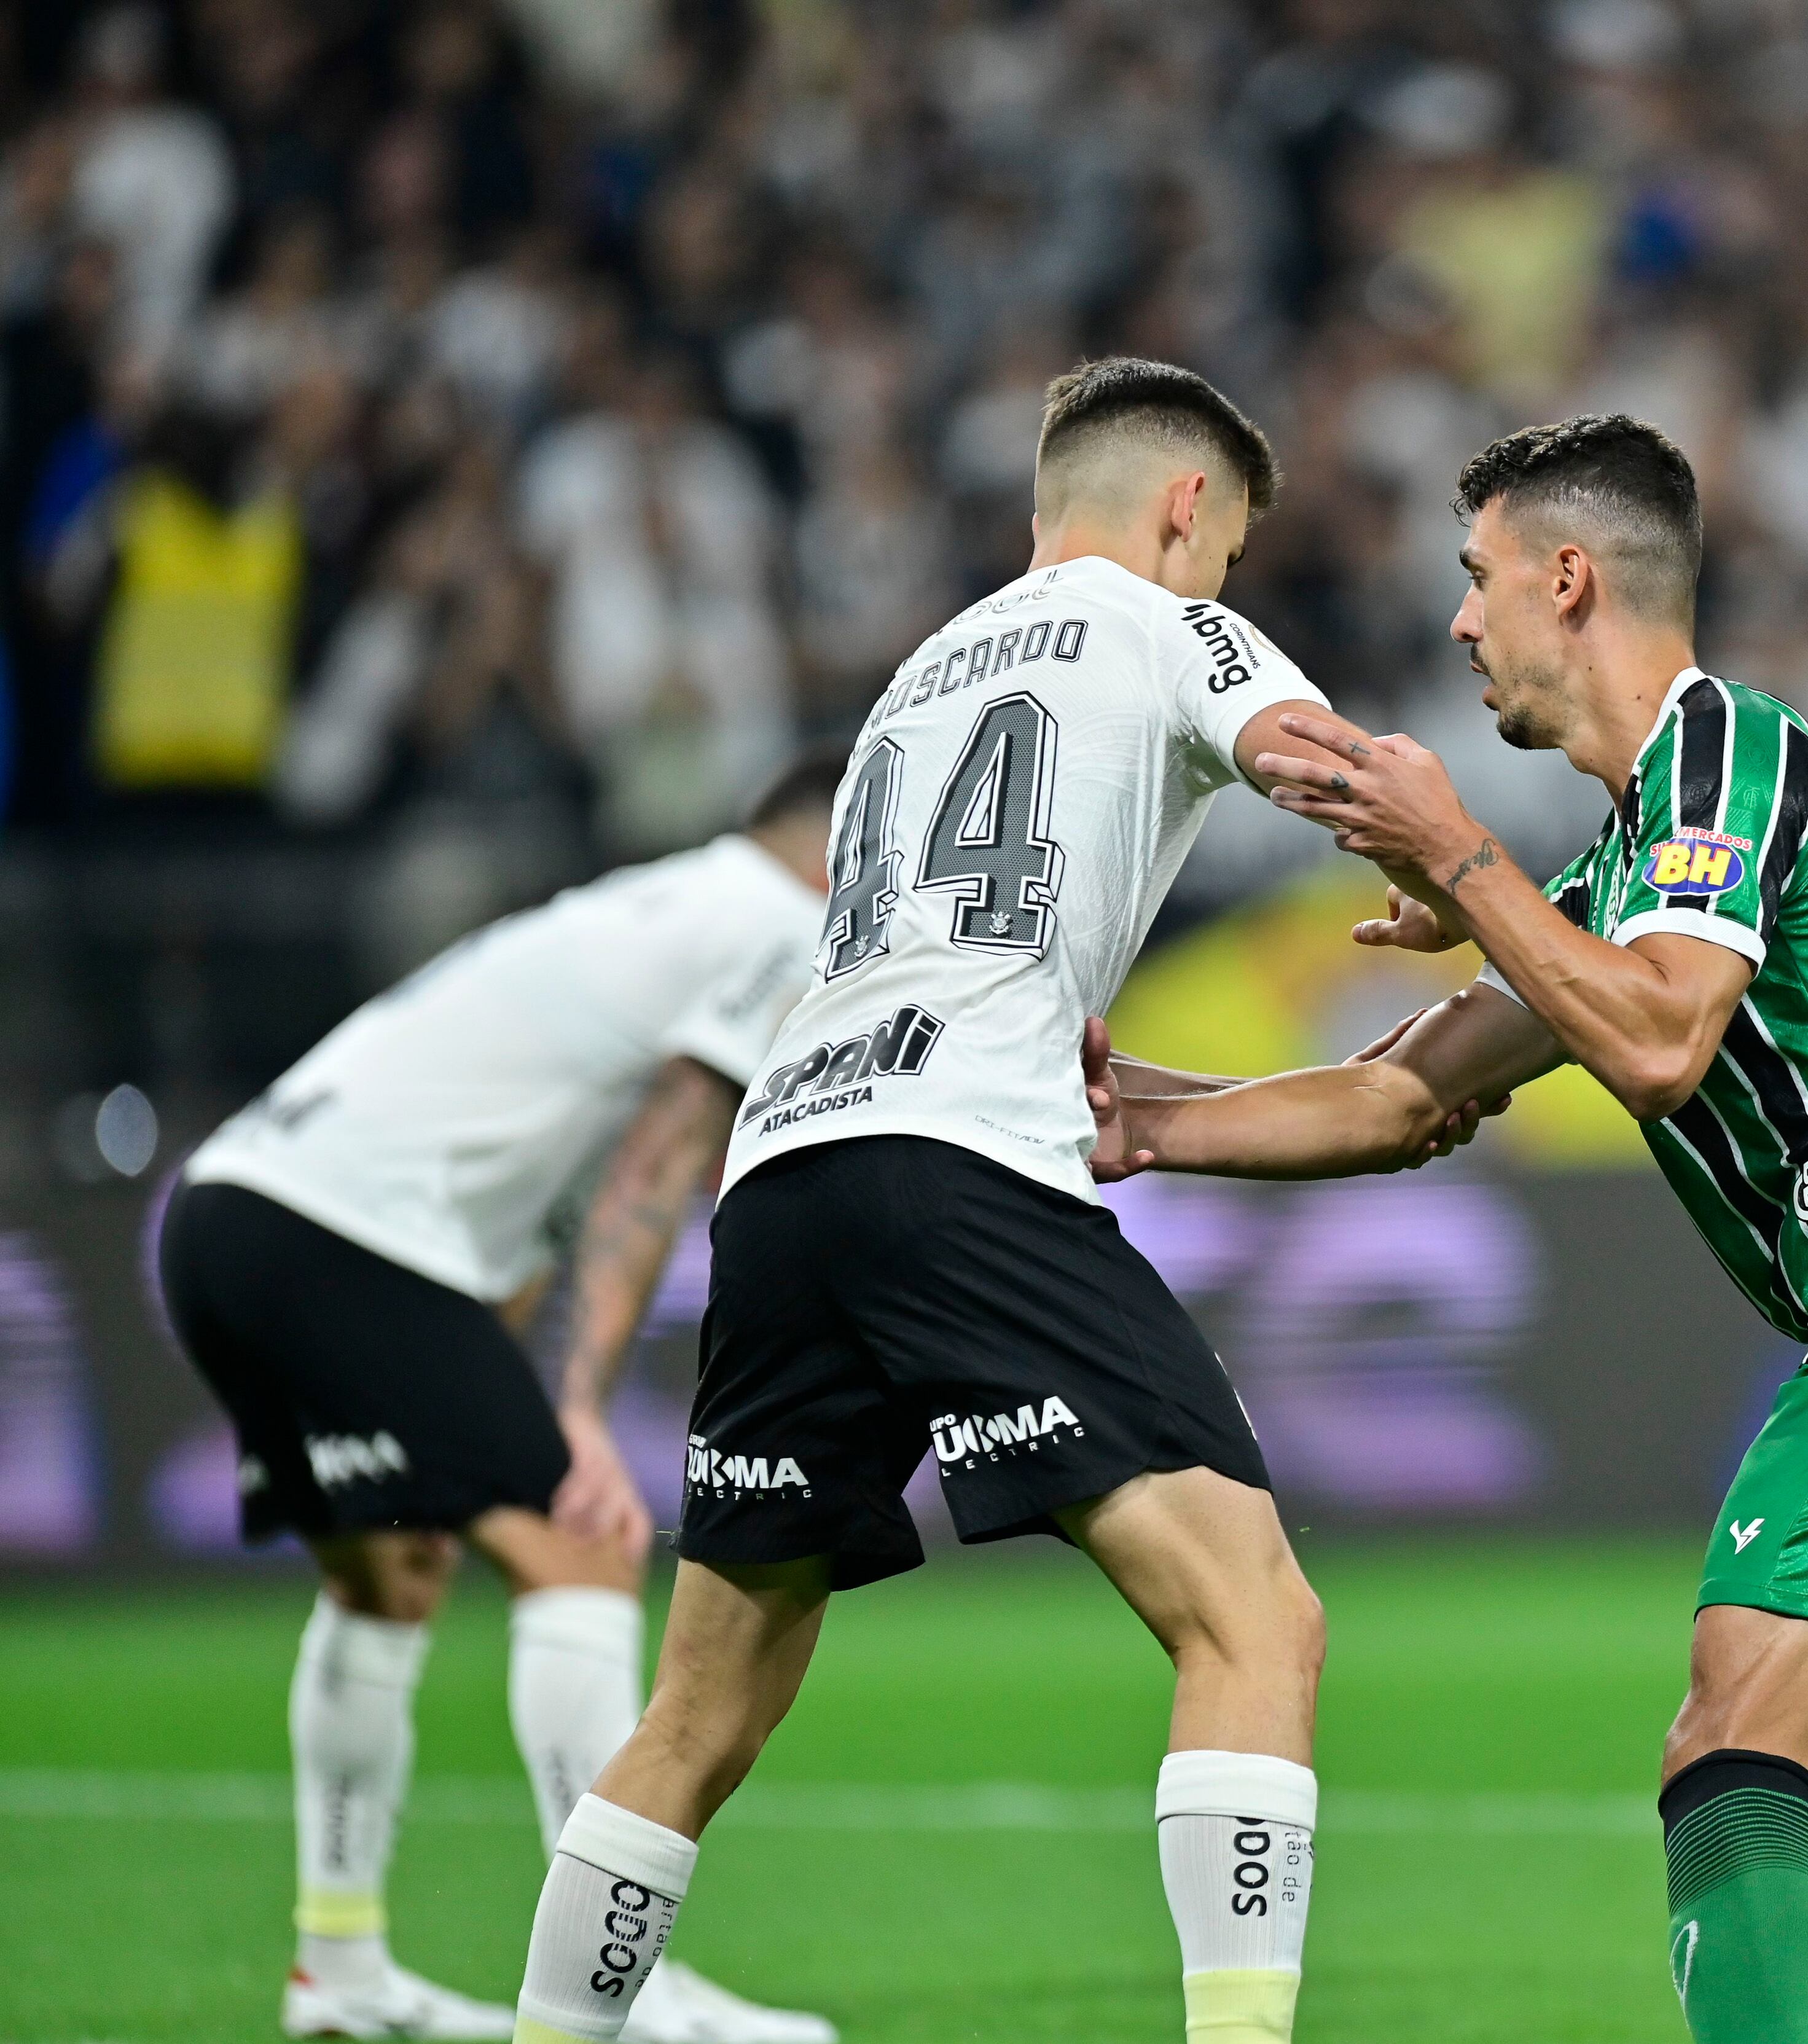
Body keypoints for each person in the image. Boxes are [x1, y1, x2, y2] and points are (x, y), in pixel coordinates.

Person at [1098, 414, 1808, 2044]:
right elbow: (1399, 1100)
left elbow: (1660, 1042)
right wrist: (1142, 1118)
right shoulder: (1622, 871)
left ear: (1570, 580)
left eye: (1479, 580)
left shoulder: (1722, 743)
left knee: (1735, 1749)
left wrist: (1463, 860)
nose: (1459, 623)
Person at [499, 359, 1493, 2044]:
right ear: (1187, 507)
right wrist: (1443, 890)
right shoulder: (1159, 623)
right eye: (1229, 551)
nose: (1222, 581)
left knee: (699, 1709)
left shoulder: (910, 681)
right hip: (961, 1157)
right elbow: (1324, 762)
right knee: (1255, 1619)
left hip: (789, 1163)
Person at [163, 751, 848, 2044]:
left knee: (390, 1575)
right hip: (345, 1239)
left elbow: (525, 1214)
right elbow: (658, 1163)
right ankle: (618, 1982)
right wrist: (576, 1414)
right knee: (580, 1537)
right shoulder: (778, 922)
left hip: (228, 1221)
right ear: (832, 837)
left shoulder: (635, 910)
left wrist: (513, 1399)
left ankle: (340, 1967)